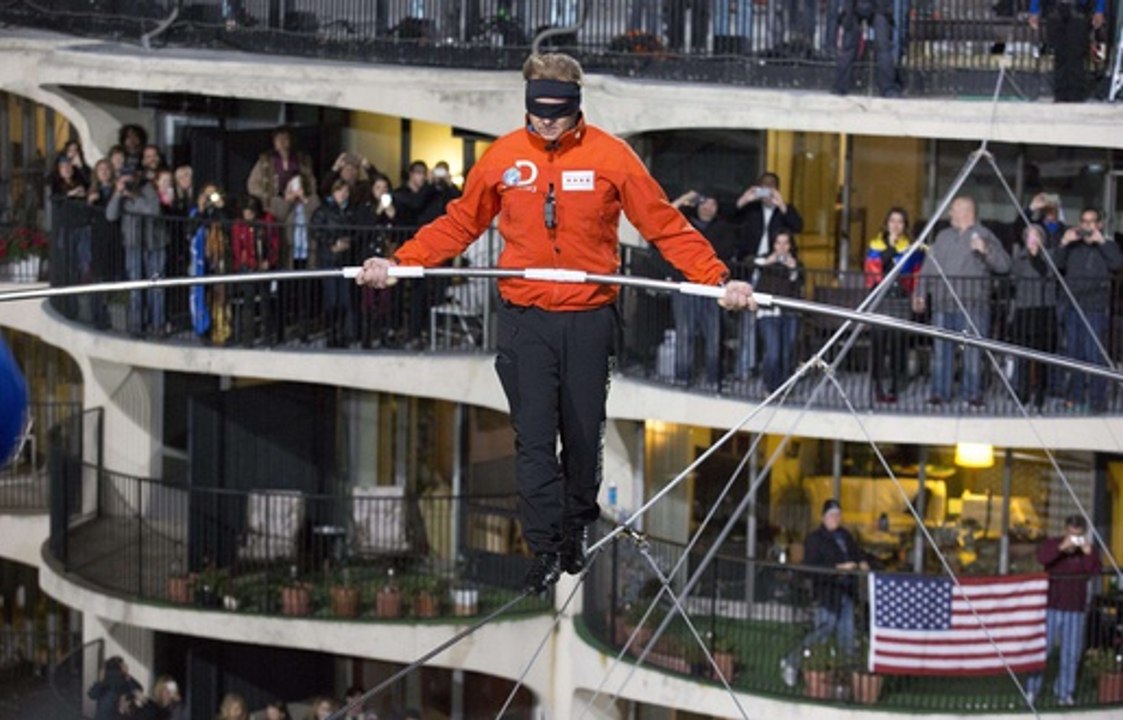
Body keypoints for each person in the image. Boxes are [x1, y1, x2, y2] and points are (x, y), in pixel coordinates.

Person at [355, 52, 754, 593]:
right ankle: (544, 546)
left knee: (584, 437)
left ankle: (574, 530)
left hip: (589, 318)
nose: (545, 121)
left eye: (557, 110)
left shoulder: (613, 157)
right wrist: (398, 263)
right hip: (525, 319)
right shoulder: (502, 158)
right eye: (536, 109)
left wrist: (717, 279)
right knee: (535, 439)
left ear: (576, 105)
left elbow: (663, 223)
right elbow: (459, 222)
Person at [914, 196, 1011, 407]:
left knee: (972, 354)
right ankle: (940, 393)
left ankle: (972, 394)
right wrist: (920, 292)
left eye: (953, 210)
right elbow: (930, 267)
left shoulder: (985, 235)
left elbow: (1004, 265)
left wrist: (986, 250)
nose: (950, 214)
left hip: (973, 305)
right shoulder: (942, 236)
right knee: (941, 352)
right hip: (942, 303)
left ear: (967, 212)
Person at [782, 499, 868, 687]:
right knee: (822, 631)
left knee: (847, 635)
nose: (835, 518)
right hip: (828, 593)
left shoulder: (845, 535)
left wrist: (862, 562)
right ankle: (792, 661)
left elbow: (857, 552)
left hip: (847, 592)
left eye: (837, 514)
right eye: (831, 515)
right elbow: (811, 566)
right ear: (824, 517)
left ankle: (845, 679)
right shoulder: (815, 539)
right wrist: (838, 568)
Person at [1025, 514, 1102, 706]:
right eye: (1071, 533)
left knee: (1071, 652)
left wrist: (1088, 552)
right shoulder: (1054, 543)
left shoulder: (1087, 550)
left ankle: (1065, 692)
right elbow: (1043, 558)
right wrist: (1061, 548)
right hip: (1052, 606)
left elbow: (1095, 571)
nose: (1074, 538)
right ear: (1065, 530)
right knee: (1043, 650)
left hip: (1075, 608)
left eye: (1078, 534)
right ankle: (1032, 690)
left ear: (1083, 534)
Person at [732, 172, 802, 380]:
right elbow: (731, 218)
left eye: (772, 187)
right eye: (763, 186)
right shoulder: (751, 209)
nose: (767, 190)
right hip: (753, 266)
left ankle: (772, 373)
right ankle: (745, 368)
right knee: (748, 321)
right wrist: (745, 199)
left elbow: (798, 226)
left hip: (775, 271)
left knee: (777, 333)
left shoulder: (784, 211)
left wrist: (781, 204)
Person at [1054, 208, 1123, 412]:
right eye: (1084, 221)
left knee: (1094, 355)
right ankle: (1076, 397)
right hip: (1073, 306)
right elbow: (1056, 264)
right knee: (1075, 354)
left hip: (1095, 307)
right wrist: (1064, 243)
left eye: (1092, 222)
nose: (1087, 226)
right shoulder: (1073, 246)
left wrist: (1101, 242)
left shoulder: (1108, 245)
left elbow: (1117, 263)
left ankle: (1097, 400)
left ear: (1099, 224)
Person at [669, 191, 736, 387]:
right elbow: (663, 217)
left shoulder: (723, 229)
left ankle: (713, 380)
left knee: (713, 336)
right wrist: (682, 199)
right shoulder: (685, 225)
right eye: (704, 203)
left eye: (713, 204)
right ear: (697, 206)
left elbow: (725, 255)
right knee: (684, 334)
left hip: (712, 289)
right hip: (685, 288)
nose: (708, 207)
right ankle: (682, 378)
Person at [864, 207, 924, 403]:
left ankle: (896, 386)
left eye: (900, 221)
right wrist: (892, 251)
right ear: (887, 224)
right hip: (881, 298)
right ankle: (878, 386)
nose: (896, 225)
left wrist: (916, 295)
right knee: (879, 343)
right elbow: (872, 272)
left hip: (901, 298)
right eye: (892, 221)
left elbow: (915, 273)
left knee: (899, 343)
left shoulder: (912, 248)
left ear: (905, 225)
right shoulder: (875, 245)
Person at [1010, 224, 1056, 410]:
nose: (1032, 239)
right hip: (1024, 308)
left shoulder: (1049, 255)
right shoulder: (1019, 257)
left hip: (1043, 309)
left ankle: (1040, 392)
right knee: (1022, 355)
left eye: (1035, 235)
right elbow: (1013, 276)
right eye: (1029, 235)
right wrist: (1027, 254)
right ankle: (1023, 391)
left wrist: (1036, 255)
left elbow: (1047, 273)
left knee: (1043, 355)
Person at [753, 229, 805, 393]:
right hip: (768, 313)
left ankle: (784, 388)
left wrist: (793, 269)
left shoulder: (797, 264)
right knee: (773, 352)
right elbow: (752, 264)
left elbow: (798, 286)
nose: (782, 247)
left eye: (786, 243)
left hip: (790, 313)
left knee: (787, 352)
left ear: (790, 246)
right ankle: (771, 387)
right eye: (778, 243)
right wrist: (768, 262)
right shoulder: (765, 261)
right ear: (773, 245)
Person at [1028, 0, 1105, 102]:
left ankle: (1076, 95)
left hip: (1079, 8)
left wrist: (1099, 9)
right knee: (1059, 53)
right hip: (1054, 8)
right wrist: (1034, 10)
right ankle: (1060, 94)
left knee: (1076, 53)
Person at [313, 179, 357, 348]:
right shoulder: (323, 211)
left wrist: (347, 243)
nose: (343, 195)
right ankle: (331, 334)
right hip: (328, 259)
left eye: (346, 191)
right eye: (340, 191)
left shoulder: (350, 211)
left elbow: (355, 231)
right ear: (333, 192)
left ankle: (343, 334)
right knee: (331, 298)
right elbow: (316, 231)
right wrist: (332, 244)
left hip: (345, 259)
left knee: (344, 298)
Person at [248, 126, 317, 219]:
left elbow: (312, 183)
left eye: (285, 138)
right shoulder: (265, 161)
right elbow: (252, 184)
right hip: (273, 206)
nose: (281, 142)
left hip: (297, 204)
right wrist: (267, 196)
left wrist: (304, 194)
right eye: (278, 139)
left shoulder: (302, 160)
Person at [834, 0, 899, 97]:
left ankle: (841, 86)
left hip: (855, 6)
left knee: (849, 47)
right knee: (883, 49)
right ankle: (888, 88)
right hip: (878, 6)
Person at [88, 656, 143, 720]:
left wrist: (127, 675)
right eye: (123, 665)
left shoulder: (124, 680)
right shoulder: (108, 682)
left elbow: (138, 690)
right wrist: (100, 681)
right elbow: (92, 694)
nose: (126, 666)